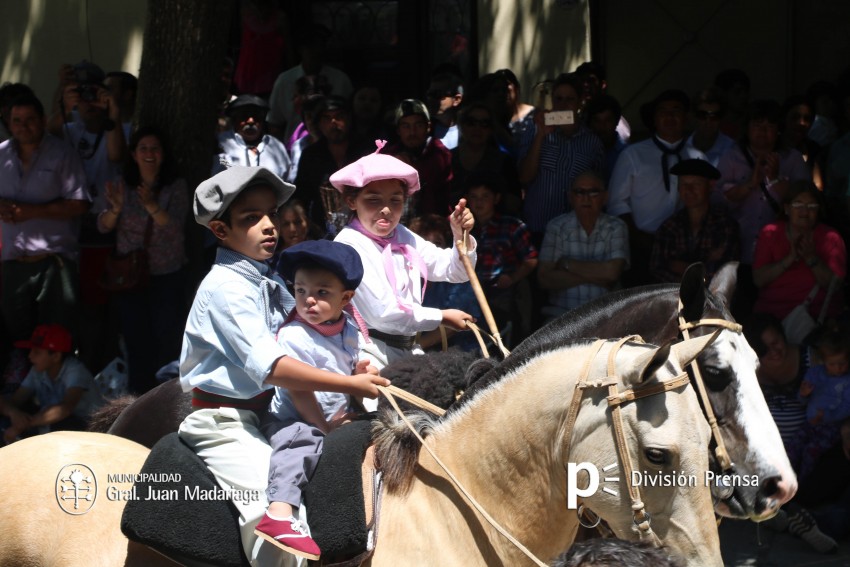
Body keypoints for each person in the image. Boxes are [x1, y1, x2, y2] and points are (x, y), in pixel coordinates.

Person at [178, 166, 389, 566]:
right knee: (276, 519)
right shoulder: (225, 288)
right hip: (223, 424)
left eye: (270, 214)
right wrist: (350, 386)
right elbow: (274, 367)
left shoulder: (268, 282)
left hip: (263, 415)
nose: (269, 226)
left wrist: (358, 361)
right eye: (251, 218)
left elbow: (315, 336)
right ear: (220, 231)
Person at [256, 239, 370, 559]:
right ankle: (280, 511)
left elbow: (348, 366)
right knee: (301, 441)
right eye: (301, 290)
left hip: (335, 414)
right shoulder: (294, 335)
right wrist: (325, 428)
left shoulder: (348, 328)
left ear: (345, 298)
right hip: (294, 417)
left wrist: (361, 369)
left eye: (322, 293)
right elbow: (301, 392)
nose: (309, 300)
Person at [332, 144, 477, 371]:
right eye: (373, 200)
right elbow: (383, 314)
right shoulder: (349, 245)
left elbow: (454, 271)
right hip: (368, 355)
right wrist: (441, 317)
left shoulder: (401, 234)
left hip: (408, 350)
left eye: (395, 200)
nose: (387, 210)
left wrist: (461, 235)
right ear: (352, 201)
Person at [98, 127, 189, 394]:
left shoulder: (176, 186)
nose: (149, 154)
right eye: (143, 149)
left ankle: (164, 399)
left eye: (155, 148)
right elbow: (103, 226)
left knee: (167, 338)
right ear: (134, 155)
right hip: (130, 276)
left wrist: (151, 205)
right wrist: (114, 210)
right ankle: (136, 400)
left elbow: (175, 228)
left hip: (167, 274)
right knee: (135, 340)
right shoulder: (121, 185)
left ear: (163, 155)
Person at [0, 93, 89, 354]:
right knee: (15, 339)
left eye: (29, 120)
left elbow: (80, 204)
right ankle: (23, 393)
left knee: (57, 340)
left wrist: (32, 211)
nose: (23, 126)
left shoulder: (63, 154)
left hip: (54, 262)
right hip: (12, 262)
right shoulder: (1, 155)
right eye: (17, 120)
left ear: (41, 120)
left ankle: (59, 393)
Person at [607, 88, 704, 286]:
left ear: (686, 118)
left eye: (676, 111)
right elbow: (616, 204)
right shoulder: (633, 155)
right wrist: (641, 239)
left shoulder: (697, 157)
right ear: (654, 118)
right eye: (663, 111)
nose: (669, 116)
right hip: (641, 247)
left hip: (686, 250)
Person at [517, 72, 604, 246]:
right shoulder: (535, 130)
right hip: (538, 229)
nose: (563, 104)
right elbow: (524, 177)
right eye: (558, 99)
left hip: (577, 233)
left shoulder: (592, 142)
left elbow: (600, 188)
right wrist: (541, 135)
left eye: (569, 99)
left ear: (580, 102)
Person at [537, 170, 629, 320]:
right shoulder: (556, 227)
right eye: (579, 192)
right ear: (570, 197)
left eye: (593, 192)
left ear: (605, 197)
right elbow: (544, 279)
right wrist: (599, 277)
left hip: (607, 315)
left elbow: (612, 273)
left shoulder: (617, 226)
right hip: (561, 315)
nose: (586, 198)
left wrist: (566, 264)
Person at [752, 181, 845, 323]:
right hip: (771, 316)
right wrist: (789, 258)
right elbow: (759, 280)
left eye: (811, 206)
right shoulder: (769, 233)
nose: (805, 212)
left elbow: (835, 286)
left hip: (815, 318)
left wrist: (811, 258)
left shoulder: (831, 237)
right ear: (787, 208)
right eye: (798, 205)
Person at [464, 172, 537, 344]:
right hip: (469, 293)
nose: (479, 202)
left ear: (496, 199)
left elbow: (531, 259)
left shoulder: (512, 226)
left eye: (485, 196)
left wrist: (512, 278)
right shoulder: (463, 228)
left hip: (503, 292)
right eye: (474, 197)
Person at [0, 324, 102, 444]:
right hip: (54, 422)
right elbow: (14, 400)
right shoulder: (37, 370)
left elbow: (65, 408)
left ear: (56, 356)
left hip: (89, 427)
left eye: (37, 352)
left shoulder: (75, 370)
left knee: (57, 424)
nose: (30, 356)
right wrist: (14, 413)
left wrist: (22, 424)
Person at [650, 159, 740, 283]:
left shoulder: (725, 225)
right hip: (674, 299)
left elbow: (724, 273)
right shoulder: (669, 226)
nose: (689, 190)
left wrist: (680, 266)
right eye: (683, 184)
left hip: (713, 300)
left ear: (711, 186)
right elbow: (658, 270)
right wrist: (706, 260)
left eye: (696, 184)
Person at [293, 96, 372, 232]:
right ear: (319, 124)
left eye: (339, 116)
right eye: (327, 118)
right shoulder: (310, 155)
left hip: (363, 226)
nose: (334, 122)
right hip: (321, 229)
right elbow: (302, 195)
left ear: (349, 119)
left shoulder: (366, 151)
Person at [267, 23, 353, 142]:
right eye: (310, 46)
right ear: (300, 49)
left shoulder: (340, 80)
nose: (316, 51)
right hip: (294, 149)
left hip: (334, 147)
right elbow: (274, 124)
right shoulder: (284, 81)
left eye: (320, 46)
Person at [789, 329, 850, 481]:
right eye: (832, 364)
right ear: (824, 361)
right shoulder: (815, 373)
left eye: (842, 363)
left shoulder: (847, 381)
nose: (837, 368)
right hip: (809, 423)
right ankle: (785, 478)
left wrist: (826, 417)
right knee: (793, 446)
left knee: (811, 451)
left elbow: (846, 407)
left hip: (831, 427)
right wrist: (803, 394)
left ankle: (802, 483)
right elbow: (802, 400)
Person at [381, 99, 453, 220]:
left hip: (434, 226)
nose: (412, 132)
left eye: (418, 125)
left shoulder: (441, 154)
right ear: (398, 130)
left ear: (428, 127)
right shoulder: (388, 156)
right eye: (406, 126)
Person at [450, 101, 522, 216]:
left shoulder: (504, 161)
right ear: (462, 125)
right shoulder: (447, 158)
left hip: (494, 229)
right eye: (471, 122)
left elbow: (515, 201)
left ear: (491, 129)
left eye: (484, 124)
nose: (477, 128)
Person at [215, 94, 292, 181]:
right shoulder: (221, 143)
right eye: (244, 116)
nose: (251, 121)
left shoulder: (276, 146)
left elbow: (288, 180)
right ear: (235, 119)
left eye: (256, 117)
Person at [686, 87, 735, 167]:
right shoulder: (681, 148)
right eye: (702, 115)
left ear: (721, 119)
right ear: (694, 116)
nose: (708, 122)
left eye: (714, 116)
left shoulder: (732, 150)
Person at [425, 67, 464, 150]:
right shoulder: (424, 130)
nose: (431, 99)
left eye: (438, 94)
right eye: (430, 94)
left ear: (456, 100)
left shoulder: (468, 130)